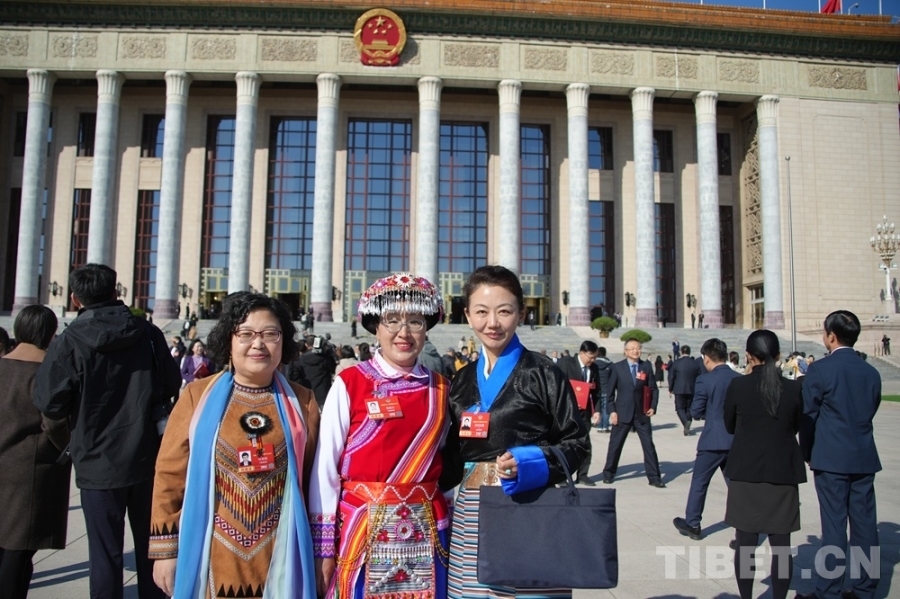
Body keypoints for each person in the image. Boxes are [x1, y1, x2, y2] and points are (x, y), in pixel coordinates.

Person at [149, 292, 320, 598]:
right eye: (246, 334)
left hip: (282, 555)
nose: (258, 344)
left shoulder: (303, 402)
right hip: (213, 556)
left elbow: (314, 481)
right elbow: (169, 476)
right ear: (228, 340)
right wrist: (166, 552)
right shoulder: (196, 397)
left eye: (270, 334)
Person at [309, 272, 461, 599]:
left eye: (415, 322)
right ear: (376, 327)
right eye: (392, 320)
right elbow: (325, 469)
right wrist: (323, 548)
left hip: (427, 531)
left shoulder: (441, 388)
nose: (403, 333)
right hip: (363, 530)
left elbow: (447, 465)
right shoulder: (350, 383)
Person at [33, 263, 181, 599]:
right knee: (153, 548)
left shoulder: (70, 341)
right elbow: (172, 383)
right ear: (116, 291)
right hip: (147, 456)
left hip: (96, 459)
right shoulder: (148, 334)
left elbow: (49, 401)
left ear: (75, 299)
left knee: (105, 555)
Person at [447, 265, 589, 599]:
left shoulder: (544, 373)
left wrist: (530, 462)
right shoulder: (461, 379)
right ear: (467, 315)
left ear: (521, 314)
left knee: (527, 590)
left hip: (529, 504)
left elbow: (577, 443)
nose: (492, 323)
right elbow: (450, 454)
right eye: (481, 312)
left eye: (504, 311)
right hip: (472, 511)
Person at [797, 311, 882, 599]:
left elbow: (808, 416)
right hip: (863, 456)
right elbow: (871, 408)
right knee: (865, 526)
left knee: (834, 525)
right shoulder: (870, 372)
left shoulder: (821, 370)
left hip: (831, 457)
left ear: (831, 336)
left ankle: (829, 591)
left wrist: (807, 451)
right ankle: (864, 589)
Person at [723, 330, 805, 599]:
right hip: (782, 472)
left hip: (746, 473)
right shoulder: (793, 389)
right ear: (778, 355)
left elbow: (730, 425)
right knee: (781, 546)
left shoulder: (738, 386)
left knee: (745, 544)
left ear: (748, 355)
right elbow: (795, 426)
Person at [0, 306, 70, 599]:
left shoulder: (4, 365)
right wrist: (67, 447)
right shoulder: (47, 370)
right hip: (31, 468)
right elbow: (53, 421)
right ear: (50, 333)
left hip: (5, 465)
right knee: (19, 550)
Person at [672, 338, 741, 541]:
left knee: (700, 482)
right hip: (735, 440)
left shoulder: (705, 380)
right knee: (736, 485)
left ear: (707, 358)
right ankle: (744, 528)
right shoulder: (739, 379)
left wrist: (707, 414)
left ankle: (693, 523)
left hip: (712, 440)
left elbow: (695, 411)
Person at [601, 339, 665, 487]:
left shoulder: (646, 366)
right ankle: (609, 473)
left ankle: (654, 477)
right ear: (626, 351)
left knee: (648, 445)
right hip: (622, 412)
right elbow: (609, 393)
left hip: (642, 413)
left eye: (638, 348)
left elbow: (653, 389)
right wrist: (612, 412)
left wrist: (653, 406)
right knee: (615, 445)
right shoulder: (617, 367)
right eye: (632, 348)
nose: (636, 351)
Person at [557, 340, 601, 485]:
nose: (592, 360)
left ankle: (583, 475)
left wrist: (597, 411)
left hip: (584, 413)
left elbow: (597, 391)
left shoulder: (594, 368)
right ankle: (561, 476)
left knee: (585, 444)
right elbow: (555, 384)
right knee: (564, 445)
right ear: (582, 353)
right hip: (566, 412)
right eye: (590, 357)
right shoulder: (566, 363)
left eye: (595, 357)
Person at [668, 345, 703, 436]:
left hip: (679, 389)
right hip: (692, 389)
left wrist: (670, 388)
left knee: (679, 408)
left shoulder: (676, 363)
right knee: (689, 408)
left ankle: (686, 422)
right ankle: (687, 426)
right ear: (689, 352)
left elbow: (671, 377)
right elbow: (700, 376)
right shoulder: (695, 363)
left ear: (681, 352)